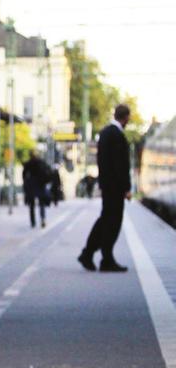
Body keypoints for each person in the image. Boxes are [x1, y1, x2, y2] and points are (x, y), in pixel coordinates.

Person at [78, 104, 132, 272]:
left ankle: (89, 254)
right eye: (128, 118)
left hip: (108, 186)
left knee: (105, 220)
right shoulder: (116, 135)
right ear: (125, 117)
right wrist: (126, 188)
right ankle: (105, 259)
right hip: (115, 187)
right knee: (112, 223)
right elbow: (120, 165)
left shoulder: (106, 132)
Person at [22, 147, 51, 228]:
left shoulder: (28, 163)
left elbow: (24, 175)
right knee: (41, 204)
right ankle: (43, 219)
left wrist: (25, 184)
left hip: (31, 185)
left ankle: (33, 222)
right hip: (40, 184)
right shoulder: (42, 162)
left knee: (31, 205)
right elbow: (48, 172)